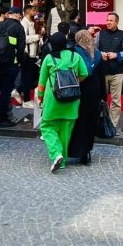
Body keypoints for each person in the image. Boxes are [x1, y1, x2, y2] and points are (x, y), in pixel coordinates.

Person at [36, 32, 88, 172]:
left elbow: (41, 83)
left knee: (47, 127)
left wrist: (40, 98)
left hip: (53, 101)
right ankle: (63, 161)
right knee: (65, 132)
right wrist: (74, 81)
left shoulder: (48, 58)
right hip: (72, 100)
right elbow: (84, 74)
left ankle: (56, 154)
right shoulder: (75, 56)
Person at [0, 6, 25, 128]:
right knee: (5, 93)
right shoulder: (18, 27)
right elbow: (21, 48)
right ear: (17, 15)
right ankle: (2, 119)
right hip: (10, 65)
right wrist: (19, 63)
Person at [68, 30, 105, 163]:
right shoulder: (97, 54)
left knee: (77, 121)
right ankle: (86, 153)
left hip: (79, 91)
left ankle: (74, 150)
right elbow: (102, 76)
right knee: (90, 122)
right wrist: (103, 95)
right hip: (94, 92)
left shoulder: (75, 52)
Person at [95, 12, 123, 127]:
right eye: (107, 20)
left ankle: (112, 125)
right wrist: (101, 54)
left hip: (117, 72)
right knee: (101, 99)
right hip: (102, 72)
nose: (108, 22)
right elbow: (93, 50)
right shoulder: (100, 34)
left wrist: (117, 55)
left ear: (117, 22)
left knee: (116, 100)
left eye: (111, 20)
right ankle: (101, 122)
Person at [19, 3, 39, 108]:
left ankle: (18, 91)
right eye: (33, 11)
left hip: (32, 54)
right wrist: (37, 37)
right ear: (29, 11)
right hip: (27, 54)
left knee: (28, 77)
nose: (35, 13)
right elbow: (24, 39)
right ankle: (26, 100)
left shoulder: (30, 23)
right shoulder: (24, 23)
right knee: (26, 78)